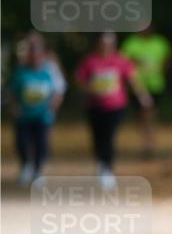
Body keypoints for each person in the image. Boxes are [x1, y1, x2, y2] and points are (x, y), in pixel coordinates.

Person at [76, 31, 153, 189]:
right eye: (103, 43)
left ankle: (107, 169)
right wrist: (89, 88)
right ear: (98, 44)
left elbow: (133, 79)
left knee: (109, 137)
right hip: (95, 106)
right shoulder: (90, 61)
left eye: (110, 43)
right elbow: (79, 80)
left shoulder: (120, 61)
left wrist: (143, 96)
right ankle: (100, 163)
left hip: (115, 106)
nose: (106, 46)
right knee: (98, 138)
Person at [8, 32, 64, 184]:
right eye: (30, 50)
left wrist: (53, 106)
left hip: (43, 115)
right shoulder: (20, 70)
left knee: (41, 143)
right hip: (24, 115)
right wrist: (14, 106)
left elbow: (59, 89)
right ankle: (26, 166)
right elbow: (12, 91)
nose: (33, 54)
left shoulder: (50, 68)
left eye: (36, 49)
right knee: (22, 142)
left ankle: (38, 170)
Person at [121, 27, 172, 157]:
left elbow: (167, 60)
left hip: (156, 85)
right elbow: (124, 64)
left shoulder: (160, 43)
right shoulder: (131, 43)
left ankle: (148, 141)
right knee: (143, 113)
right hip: (137, 86)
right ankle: (147, 139)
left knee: (149, 112)